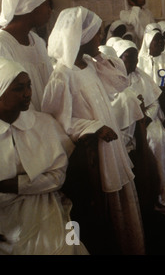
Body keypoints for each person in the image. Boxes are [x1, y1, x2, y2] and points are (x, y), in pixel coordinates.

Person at [41, 6, 146, 255]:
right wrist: (93, 126)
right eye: (96, 34)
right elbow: (57, 120)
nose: (100, 39)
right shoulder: (62, 75)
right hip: (94, 149)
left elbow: (120, 82)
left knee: (121, 197)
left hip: (111, 143)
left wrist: (100, 58)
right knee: (102, 209)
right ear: (82, 38)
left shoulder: (90, 64)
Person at [0, 57, 88, 255]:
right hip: (4, 217)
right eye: (18, 88)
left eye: (29, 86)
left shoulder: (43, 123)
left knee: (57, 246)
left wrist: (15, 185)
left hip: (41, 203)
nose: (27, 93)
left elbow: (57, 177)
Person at [112, 39, 165, 215]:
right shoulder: (112, 79)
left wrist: (145, 118)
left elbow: (154, 104)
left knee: (160, 140)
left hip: (147, 122)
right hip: (125, 127)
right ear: (119, 59)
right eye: (128, 58)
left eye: (135, 58)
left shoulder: (141, 76)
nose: (133, 63)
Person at [0, 0, 53, 112]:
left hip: (45, 122)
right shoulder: (3, 45)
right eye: (46, 4)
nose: (49, 11)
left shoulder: (37, 41)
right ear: (30, 5)